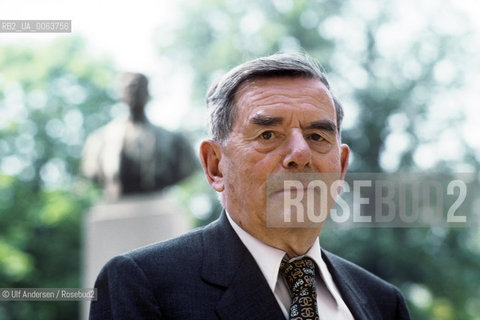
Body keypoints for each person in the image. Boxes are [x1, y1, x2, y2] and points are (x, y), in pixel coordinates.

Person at [89, 53, 411, 319]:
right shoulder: (141, 284)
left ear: (340, 168)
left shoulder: (383, 303)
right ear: (215, 165)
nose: (300, 154)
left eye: (317, 137)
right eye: (268, 135)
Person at [82, 72, 196, 200]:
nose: (134, 92)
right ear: (120, 93)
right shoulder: (99, 140)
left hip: (157, 205)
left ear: (147, 93)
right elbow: (91, 171)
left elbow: (187, 169)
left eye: (139, 87)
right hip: (114, 207)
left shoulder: (174, 141)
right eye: (129, 88)